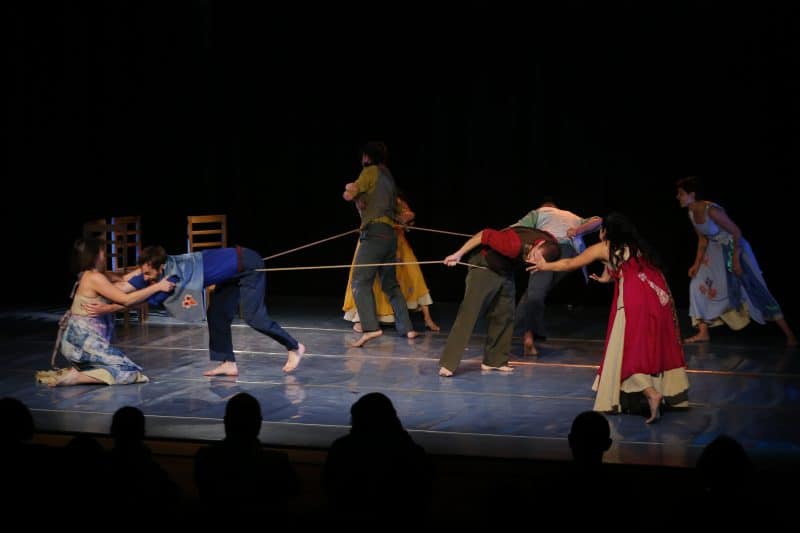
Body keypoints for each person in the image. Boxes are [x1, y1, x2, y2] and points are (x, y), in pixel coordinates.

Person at [529, 212, 689, 423]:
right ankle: (663, 391)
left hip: (635, 299)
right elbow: (622, 268)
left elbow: (571, 263)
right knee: (649, 345)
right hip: (659, 296)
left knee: (627, 346)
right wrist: (606, 279)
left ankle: (650, 392)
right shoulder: (635, 246)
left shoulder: (604, 247)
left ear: (606, 231)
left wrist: (545, 266)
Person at [89, 244, 306, 376]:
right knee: (217, 314)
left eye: (149, 274)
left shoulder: (172, 278)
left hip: (248, 264)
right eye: (144, 273)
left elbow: (135, 300)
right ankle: (228, 363)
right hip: (230, 273)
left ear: (161, 268)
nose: (146, 278)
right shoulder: (159, 266)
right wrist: (97, 276)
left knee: (254, 317)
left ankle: (294, 346)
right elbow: (127, 282)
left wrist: (107, 308)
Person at [676, 176, 797, 345]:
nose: (678, 197)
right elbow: (703, 240)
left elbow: (736, 233)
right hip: (716, 249)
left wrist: (736, 260)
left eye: (681, 193)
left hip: (736, 248)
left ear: (692, 194)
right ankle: (703, 332)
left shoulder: (712, 210)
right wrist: (696, 264)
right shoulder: (691, 212)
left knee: (753, 286)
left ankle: (789, 334)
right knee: (697, 283)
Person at [44, 238, 175, 387]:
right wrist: (158, 287)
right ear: (94, 256)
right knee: (128, 372)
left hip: (79, 342)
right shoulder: (94, 278)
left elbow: (124, 279)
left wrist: (145, 267)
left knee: (123, 369)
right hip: (80, 343)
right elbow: (126, 300)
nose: (104, 257)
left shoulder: (92, 275)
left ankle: (83, 370)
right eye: (102, 253)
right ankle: (77, 377)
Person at [438, 226, 561, 377]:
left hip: (505, 269)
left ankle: (494, 361)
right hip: (485, 265)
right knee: (470, 313)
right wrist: (458, 254)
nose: (530, 260)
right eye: (533, 255)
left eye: (537, 261)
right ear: (538, 245)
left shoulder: (552, 245)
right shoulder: (513, 245)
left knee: (504, 315)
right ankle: (448, 363)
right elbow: (483, 234)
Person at [342, 141, 418, 347]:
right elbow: (398, 211)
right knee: (390, 284)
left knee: (359, 281)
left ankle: (370, 328)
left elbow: (353, 191)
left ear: (367, 157)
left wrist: (349, 192)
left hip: (374, 234)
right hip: (390, 236)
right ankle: (407, 328)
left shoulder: (370, 172)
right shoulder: (388, 178)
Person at [322, 392, 433, 524]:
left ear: (356, 419)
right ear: (393, 417)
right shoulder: (410, 450)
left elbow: (328, 484)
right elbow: (425, 488)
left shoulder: (341, 448)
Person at [512, 199, 602, 356]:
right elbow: (598, 221)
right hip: (569, 254)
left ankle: (523, 334)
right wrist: (578, 230)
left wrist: (492, 237)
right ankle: (526, 335)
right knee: (535, 291)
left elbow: (516, 229)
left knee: (535, 293)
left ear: (545, 207)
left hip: (547, 249)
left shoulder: (540, 212)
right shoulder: (572, 216)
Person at [343, 193, 440, 333]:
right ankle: (363, 320)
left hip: (394, 242)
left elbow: (409, 215)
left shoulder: (394, 200)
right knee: (369, 281)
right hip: (372, 241)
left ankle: (425, 319)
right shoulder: (367, 199)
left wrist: (398, 219)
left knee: (412, 277)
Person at [194, 392, 298, 517]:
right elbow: (294, 492)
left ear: (225, 421)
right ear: (259, 423)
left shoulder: (205, 458)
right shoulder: (277, 463)